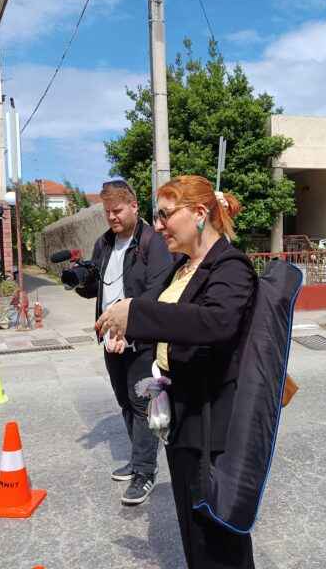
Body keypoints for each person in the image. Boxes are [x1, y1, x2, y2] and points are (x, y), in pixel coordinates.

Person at [97, 175, 257, 568]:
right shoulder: (185, 266)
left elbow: (214, 323)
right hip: (182, 411)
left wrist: (135, 312)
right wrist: (127, 327)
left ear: (199, 214)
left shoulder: (231, 266)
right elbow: (165, 316)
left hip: (211, 420)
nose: (160, 224)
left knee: (217, 530)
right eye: (157, 215)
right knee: (192, 522)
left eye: (166, 215)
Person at [76, 179, 172, 505]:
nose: (112, 217)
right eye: (107, 212)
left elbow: (156, 293)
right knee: (125, 403)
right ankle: (137, 460)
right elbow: (97, 288)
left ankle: (146, 473)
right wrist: (79, 280)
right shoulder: (104, 244)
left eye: (117, 210)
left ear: (133, 206)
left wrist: (127, 329)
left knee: (144, 406)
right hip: (110, 340)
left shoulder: (152, 243)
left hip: (141, 339)